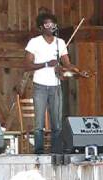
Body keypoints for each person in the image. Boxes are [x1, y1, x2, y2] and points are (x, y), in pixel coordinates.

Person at [24, 12, 83, 154]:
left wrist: (78, 71)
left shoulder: (60, 42)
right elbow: (27, 65)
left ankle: (56, 150)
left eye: (53, 24)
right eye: (47, 24)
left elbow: (66, 64)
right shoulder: (34, 42)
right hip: (40, 86)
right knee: (39, 123)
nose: (51, 27)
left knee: (57, 122)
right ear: (41, 27)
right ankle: (38, 151)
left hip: (55, 86)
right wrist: (46, 64)